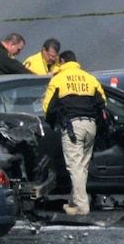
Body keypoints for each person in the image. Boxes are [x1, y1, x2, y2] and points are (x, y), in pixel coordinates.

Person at [42, 51, 107, 216]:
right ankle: (73, 201)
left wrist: (52, 122)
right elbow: (102, 102)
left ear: (62, 61)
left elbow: (47, 107)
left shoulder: (58, 79)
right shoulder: (89, 78)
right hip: (90, 125)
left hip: (72, 126)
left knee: (74, 166)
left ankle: (82, 206)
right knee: (82, 166)